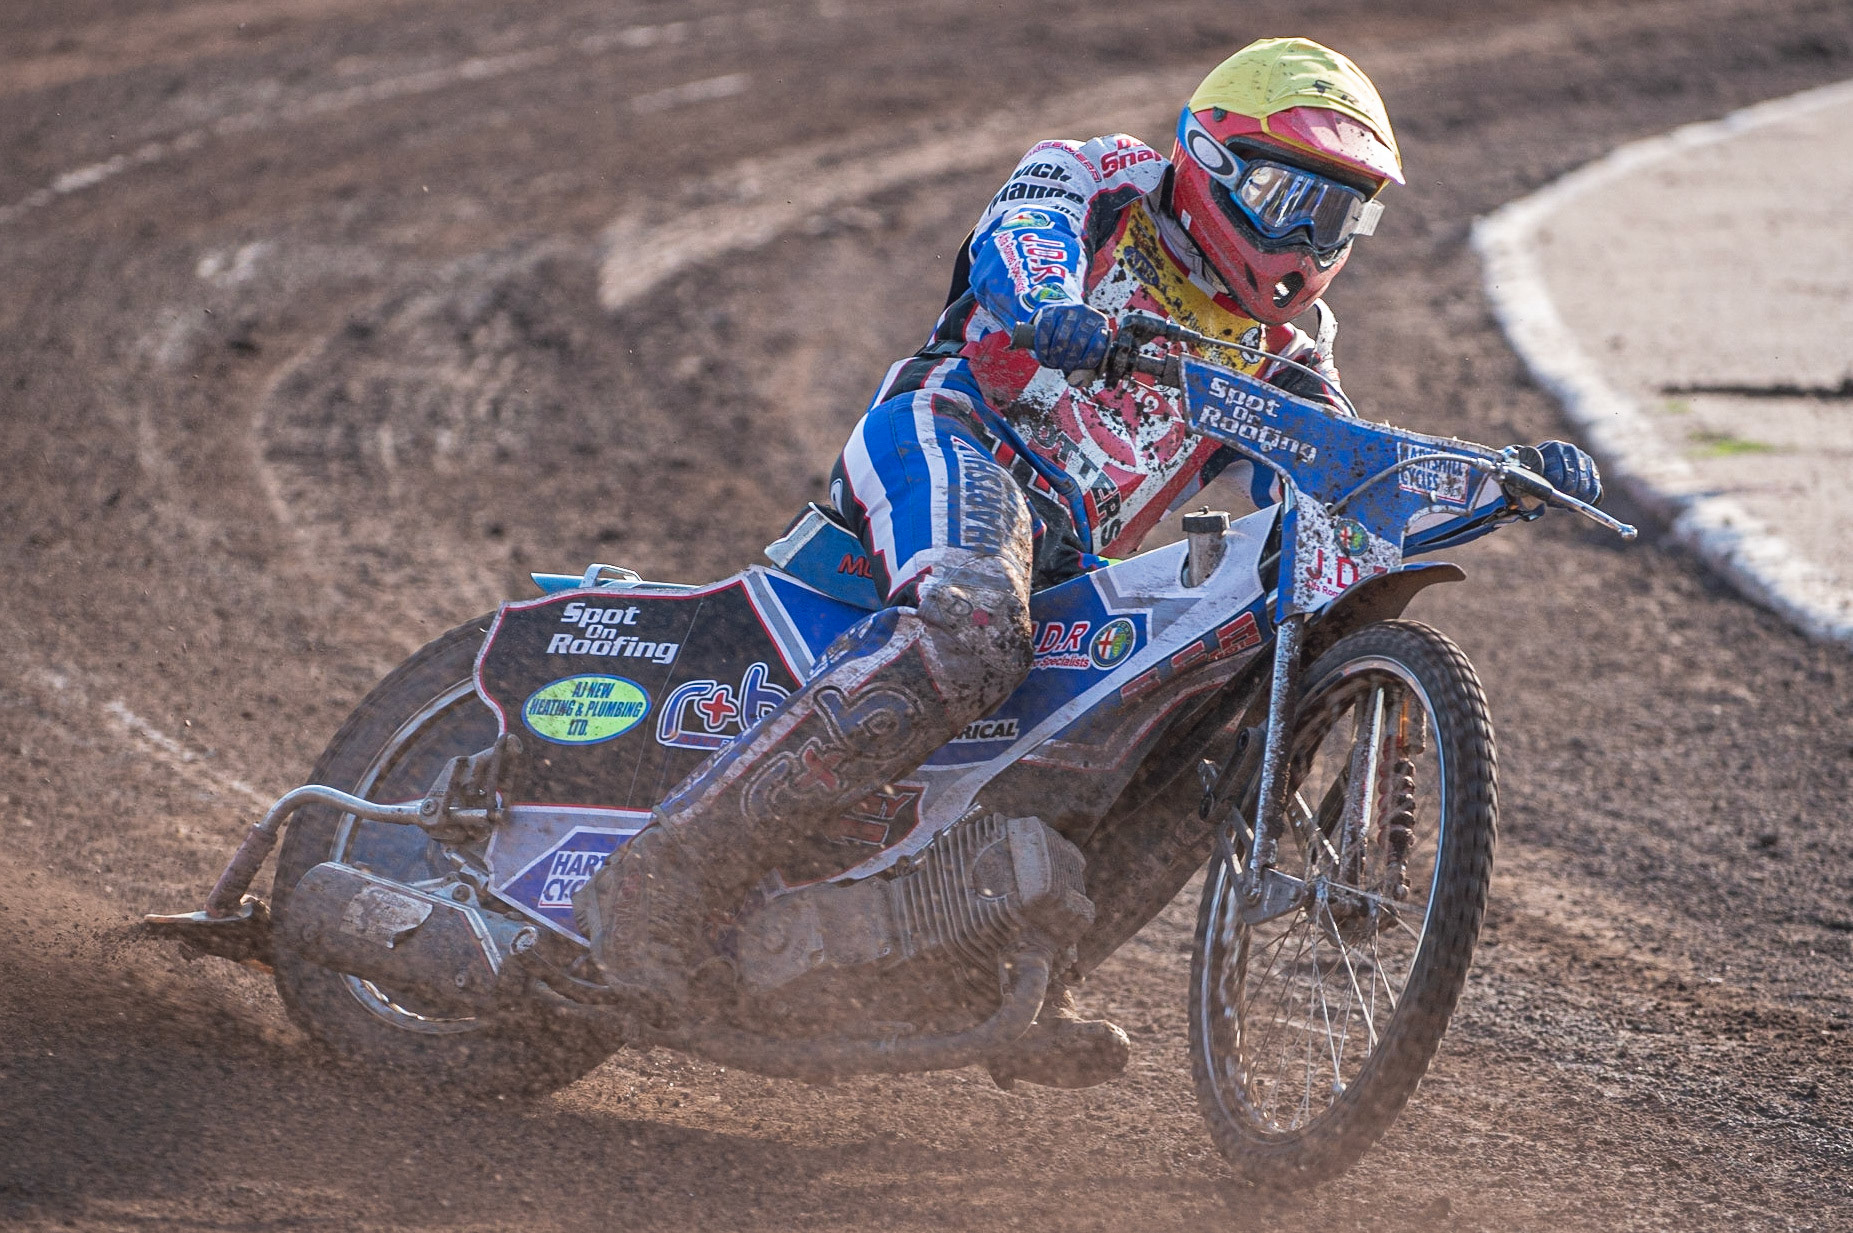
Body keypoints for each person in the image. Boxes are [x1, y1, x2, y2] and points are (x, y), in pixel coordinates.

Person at [577, 37, 1601, 1088]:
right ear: (1209, 160)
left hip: (1070, 554)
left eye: (1335, 215)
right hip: (955, 436)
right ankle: (664, 882)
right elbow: (1019, 239)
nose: (1304, 239)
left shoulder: (1288, 353)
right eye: (1285, 197)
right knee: (974, 627)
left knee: (1195, 740)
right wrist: (1050, 309)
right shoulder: (1104, 181)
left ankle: (1012, 970)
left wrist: (1491, 478)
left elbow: (1331, 472)